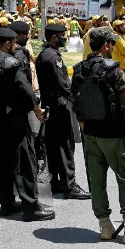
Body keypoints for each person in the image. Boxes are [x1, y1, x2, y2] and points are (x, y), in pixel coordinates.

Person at [71, 27, 125, 245]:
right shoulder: (114, 70)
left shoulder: (78, 70)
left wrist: (84, 124)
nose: (113, 46)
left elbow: (74, 101)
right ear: (106, 46)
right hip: (114, 134)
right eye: (112, 43)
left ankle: (105, 226)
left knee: (97, 181)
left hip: (91, 136)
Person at [0, 27, 54, 221]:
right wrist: (37, 109)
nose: (15, 46)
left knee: (3, 162)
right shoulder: (11, 63)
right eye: (13, 43)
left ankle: (7, 203)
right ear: (7, 44)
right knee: (26, 162)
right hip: (15, 120)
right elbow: (25, 89)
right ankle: (31, 206)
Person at [35, 23, 91, 199]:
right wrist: (77, 99)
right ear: (54, 38)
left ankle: (55, 183)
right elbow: (63, 84)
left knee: (53, 146)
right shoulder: (54, 58)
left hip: (49, 105)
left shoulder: (43, 55)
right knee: (66, 146)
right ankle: (70, 185)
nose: (64, 38)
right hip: (60, 106)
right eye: (62, 35)